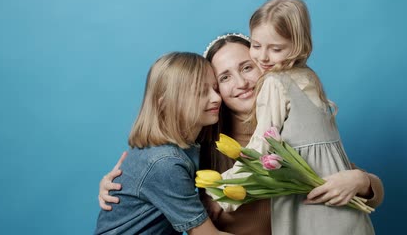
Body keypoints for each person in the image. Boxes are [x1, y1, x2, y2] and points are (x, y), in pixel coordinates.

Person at [99, 33, 384, 234]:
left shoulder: (291, 122)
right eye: (224, 78)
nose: (241, 83)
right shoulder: (205, 140)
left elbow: (354, 182)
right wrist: (115, 187)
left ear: (264, 67)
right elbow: (155, 173)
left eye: (247, 68)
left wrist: (362, 182)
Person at [211, 0, 377, 234]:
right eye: (256, 46)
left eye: (275, 49)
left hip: (313, 215)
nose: (263, 57)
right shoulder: (308, 77)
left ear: (298, 46)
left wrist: (221, 192)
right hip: (349, 220)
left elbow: (260, 148)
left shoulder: (275, 83)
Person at [94, 52, 231, 235]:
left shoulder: (187, 147)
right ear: (165, 103)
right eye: (200, 92)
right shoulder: (165, 162)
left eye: (215, 88)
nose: (216, 98)